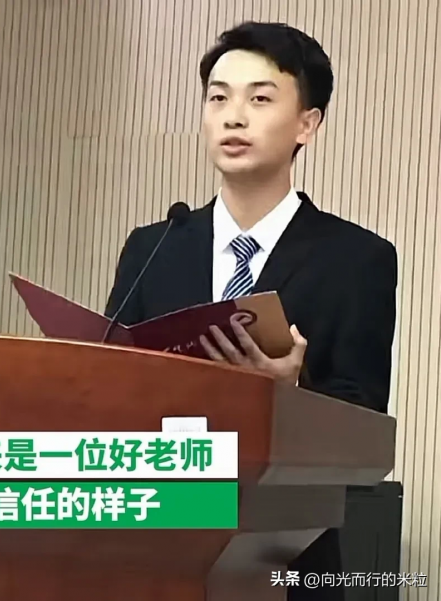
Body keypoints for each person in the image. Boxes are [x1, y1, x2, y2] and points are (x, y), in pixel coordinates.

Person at [105, 21, 397, 600]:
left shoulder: (356, 257)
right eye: (218, 98)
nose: (233, 117)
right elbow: (110, 383)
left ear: (307, 124)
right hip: (154, 549)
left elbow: (366, 423)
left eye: (259, 99)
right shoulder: (153, 247)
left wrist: (293, 394)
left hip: (286, 560)